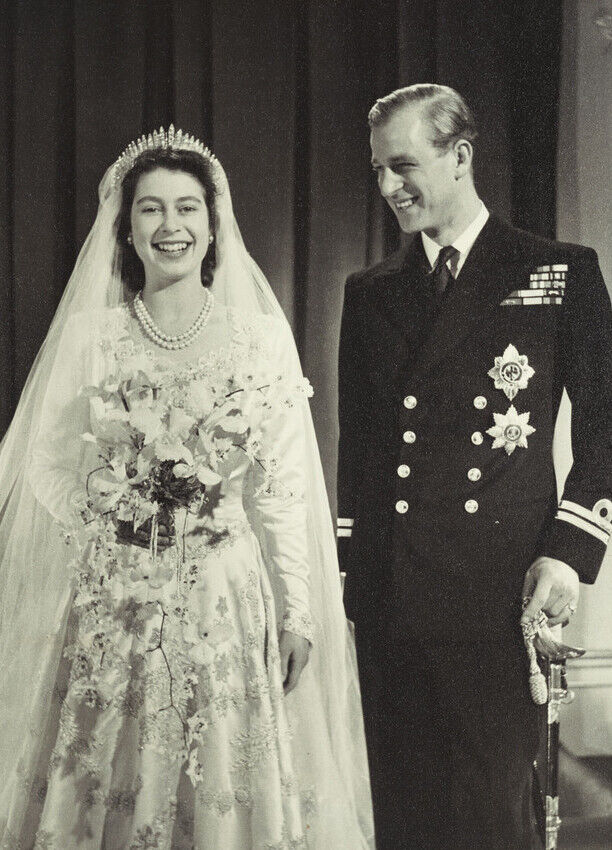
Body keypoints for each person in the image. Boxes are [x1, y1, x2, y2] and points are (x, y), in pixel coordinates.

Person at [0, 129, 374, 849]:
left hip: (223, 597)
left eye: (186, 208)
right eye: (150, 210)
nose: (170, 227)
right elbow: (39, 461)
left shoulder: (257, 338)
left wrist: (299, 612)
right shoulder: (90, 336)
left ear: (213, 223)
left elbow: (284, 487)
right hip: (115, 597)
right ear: (126, 227)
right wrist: (110, 519)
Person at [337, 84, 612, 849]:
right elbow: (357, 453)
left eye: (404, 166)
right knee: (403, 814)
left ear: (459, 156)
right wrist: (347, 578)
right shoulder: (370, 295)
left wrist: (570, 549)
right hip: (391, 597)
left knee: (489, 818)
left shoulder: (557, 273)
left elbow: (606, 428)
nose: (389, 188)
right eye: (378, 172)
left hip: (498, 595)